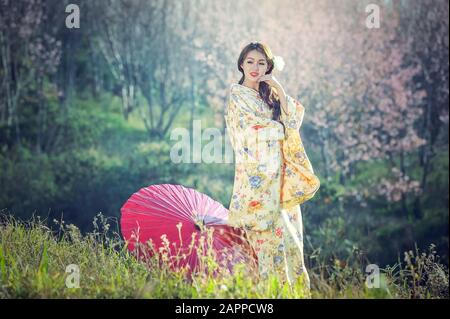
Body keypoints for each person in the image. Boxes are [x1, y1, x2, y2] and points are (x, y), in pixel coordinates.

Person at [224, 42, 320, 296]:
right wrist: (278, 129)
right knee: (270, 250)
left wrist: (278, 87)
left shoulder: (270, 94)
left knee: (292, 246)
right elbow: (248, 131)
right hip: (257, 184)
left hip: (281, 180)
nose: (255, 68)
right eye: (250, 62)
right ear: (241, 64)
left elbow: (293, 119)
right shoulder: (237, 95)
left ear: (268, 66)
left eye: (261, 63)